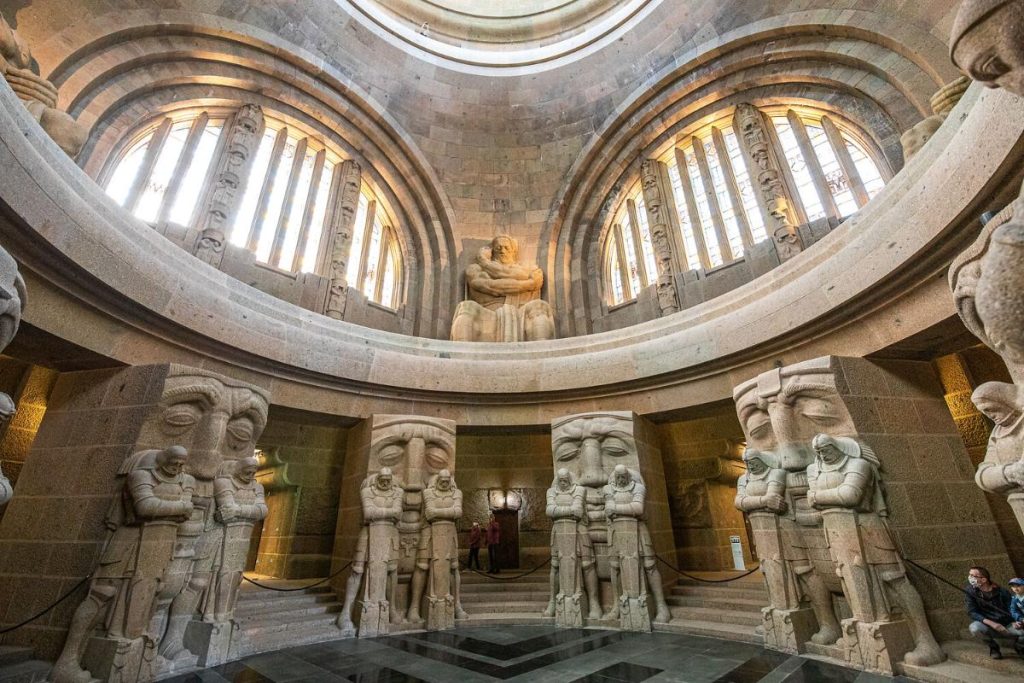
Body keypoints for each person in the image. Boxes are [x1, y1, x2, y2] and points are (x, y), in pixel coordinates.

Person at [965, 566, 1024, 659]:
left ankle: (1019, 647)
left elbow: (1012, 608)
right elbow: (972, 612)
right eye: (969, 574)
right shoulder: (970, 591)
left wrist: (1017, 621)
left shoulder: (1002, 591)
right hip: (989, 626)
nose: (969, 577)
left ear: (984, 579)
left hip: (1007, 625)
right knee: (974, 628)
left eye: (973, 575)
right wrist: (992, 624)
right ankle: (993, 647)